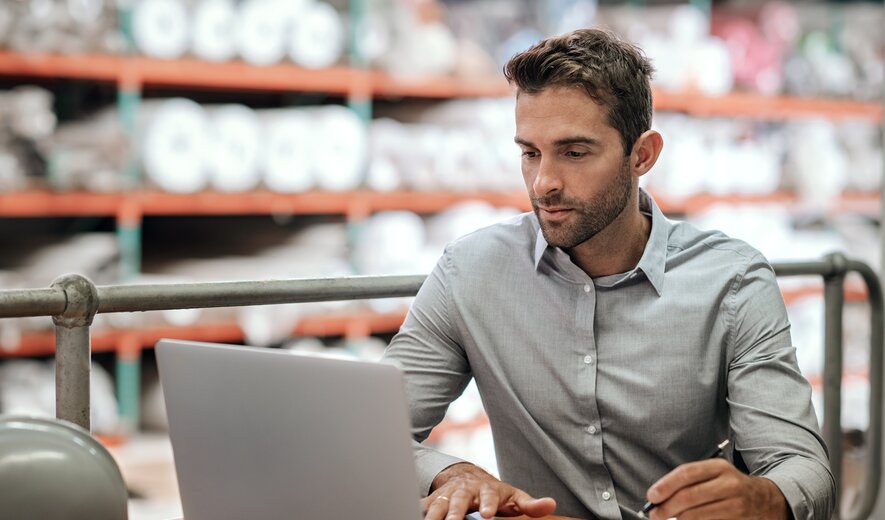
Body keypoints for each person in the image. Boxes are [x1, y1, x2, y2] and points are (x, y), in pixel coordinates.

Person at [382, 28, 835, 520]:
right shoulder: (469, 272)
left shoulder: (732, 282)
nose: (543, 183)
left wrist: (762, 498)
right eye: (530, 152)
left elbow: (803, 466)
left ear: (642, 155)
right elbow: (369, 431)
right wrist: (449, 472)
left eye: (574, 152)